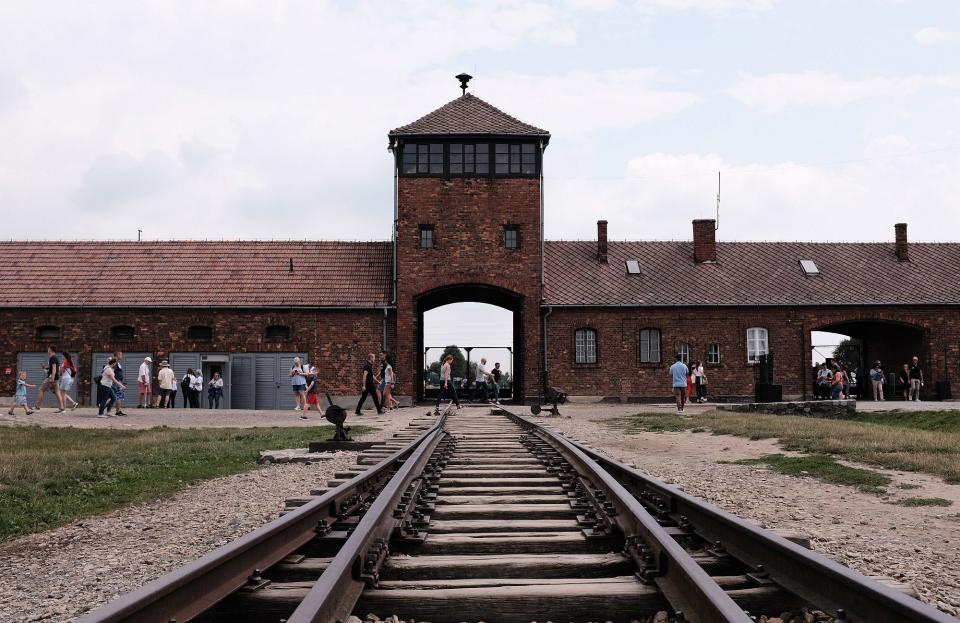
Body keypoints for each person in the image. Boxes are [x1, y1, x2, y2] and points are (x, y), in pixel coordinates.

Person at [34, 345, 60, 410]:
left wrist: (52, 378)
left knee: (41, 390)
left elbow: (54, 369)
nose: (47, 351)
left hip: (51, 378)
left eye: (48, 349)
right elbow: (52, 368)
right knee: (57, 392)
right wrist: (44, 367)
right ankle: (62, 408)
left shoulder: (52, 357)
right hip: (56, 378)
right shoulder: (55, 358)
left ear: (50, 350)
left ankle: (37, 406)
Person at [111, 351, 128, 416]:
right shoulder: (114, 362)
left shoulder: (117, 362)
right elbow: (111, 371)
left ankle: (118, 411)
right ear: (117, 355)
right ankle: (117, 411)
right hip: (116, 382)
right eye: (121, 355)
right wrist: (115, 381)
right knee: (118, 396)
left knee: (117, 396)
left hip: (118, 381)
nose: (122, 356)